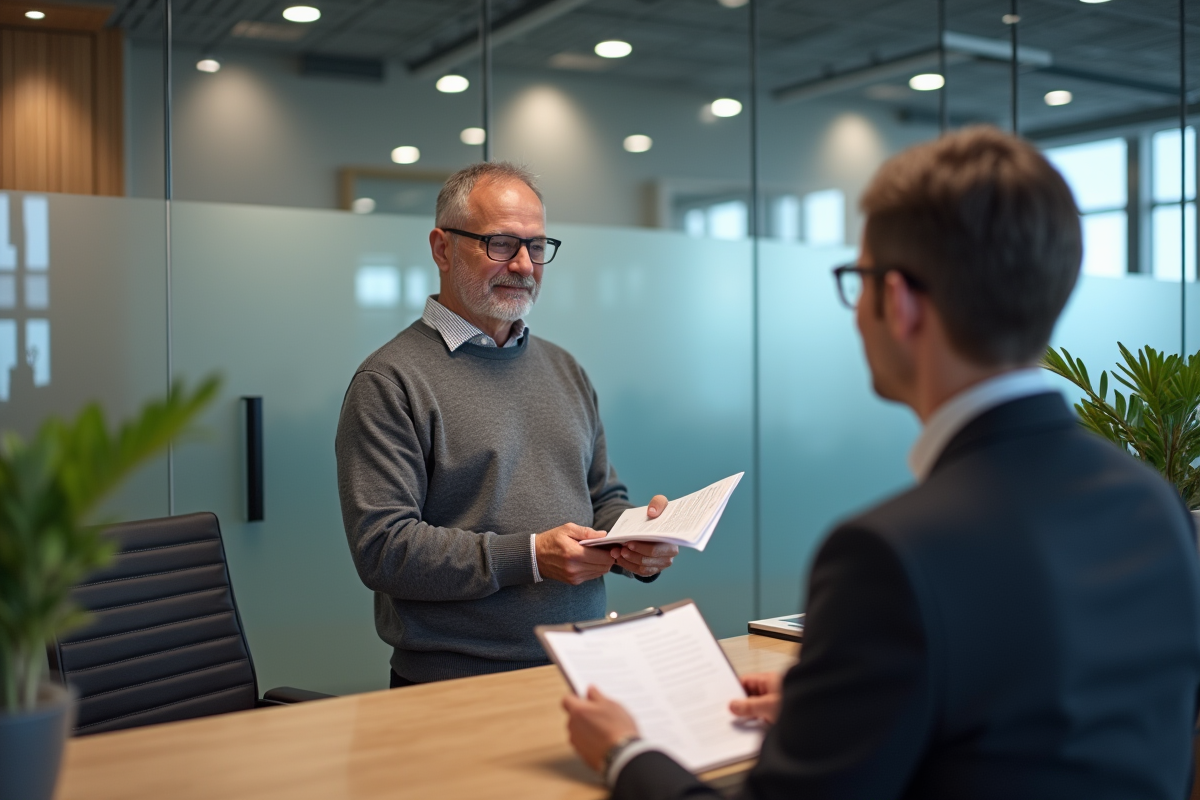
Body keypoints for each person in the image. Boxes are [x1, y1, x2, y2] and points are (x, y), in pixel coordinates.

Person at [562, 127, 1200, 800]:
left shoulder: (892, 554)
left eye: (856, 280)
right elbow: (1046, 722)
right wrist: (848, 705)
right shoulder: (1155, 507)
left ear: (896, 302)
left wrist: (627, 753)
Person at [335, 162, 679, 686]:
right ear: (442, 248)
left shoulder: (565, 368)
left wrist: (636, 543)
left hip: (586, 666)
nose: (523, 265)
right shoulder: (389, 381)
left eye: (537, 247)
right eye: (501, 243)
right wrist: (532, 557)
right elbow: (384, 550)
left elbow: (601, 497)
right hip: (455, 684)